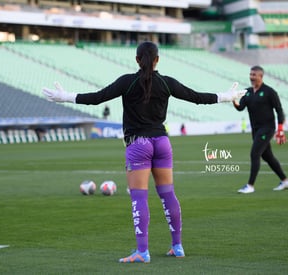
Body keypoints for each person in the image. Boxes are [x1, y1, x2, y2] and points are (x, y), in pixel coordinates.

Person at [42, 41, 245, 263]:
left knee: (139, 197)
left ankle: (142, 251)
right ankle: (177, 246)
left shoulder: (127, 82)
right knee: (168, 195)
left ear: (137, 59)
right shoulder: (167, 84)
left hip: (138, 144)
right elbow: (196, 97)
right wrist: (226, 96)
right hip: (162, 142)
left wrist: (65, 96)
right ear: (157, 59)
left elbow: (96, 98)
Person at [233, 65, 288, 194]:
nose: (251, 77)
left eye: (254, 75)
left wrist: (280, 129)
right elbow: (240, 108)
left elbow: (279, 110)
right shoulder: (247, 92)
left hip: (268, 128)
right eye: (250, 74)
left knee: (255, 154)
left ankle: (250, 186)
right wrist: (233, 100)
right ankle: (285, 181)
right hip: (256, 130)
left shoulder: (269, 92)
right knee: (268, 157)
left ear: (261, 76)